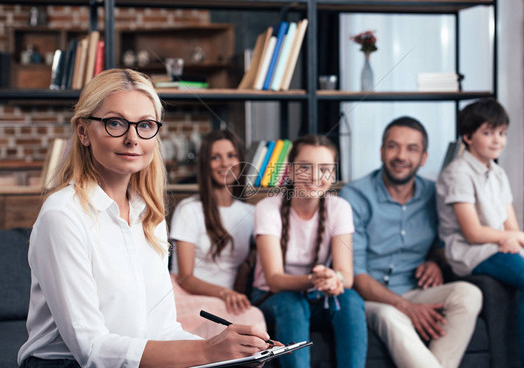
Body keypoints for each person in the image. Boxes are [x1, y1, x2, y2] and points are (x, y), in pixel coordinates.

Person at [17, 69, 271, 368]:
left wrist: (229, 352)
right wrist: (208, 353)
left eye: (146, 125)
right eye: (115, 123)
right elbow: (92, 349)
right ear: (83, 132)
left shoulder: (150, 216)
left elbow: (162, 331)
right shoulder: (62, 215)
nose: (132, 138)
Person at [340, 117, 483, 368]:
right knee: (390, 315)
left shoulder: (434, 193)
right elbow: (357, 275)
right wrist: (406, 307)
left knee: (468, 294)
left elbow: (444, 241)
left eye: (412, 148)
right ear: (382, 151)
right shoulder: (355, 196)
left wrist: (435, 260)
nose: (401, 156)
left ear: (424, 157)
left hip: (415, 289)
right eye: (393, 146)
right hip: (371, 298)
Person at [436, 98, 524, 368]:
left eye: (502, 133)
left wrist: (513, 239)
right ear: (467, 137)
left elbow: (511, 226)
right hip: (471, 253)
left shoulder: (498, 174)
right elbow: (472, 233)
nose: (497, 140)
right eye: (488, 132)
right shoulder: (457, 172)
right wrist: (516, 239)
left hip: (496, 247)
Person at [251, 134, 367, 368]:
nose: (315, 176)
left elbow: (348, 276)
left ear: (332, 175)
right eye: (305, 167)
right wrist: (315, 279)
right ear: (291, 172)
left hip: (318, 297)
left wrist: (336, 279)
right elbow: (274, 280)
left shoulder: (340, 207)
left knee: (351, 300)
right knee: (292, 304)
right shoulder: (267, 208)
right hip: (274, 297)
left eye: (324, 169)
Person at [169, 129, 266, 338]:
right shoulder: (189, 209)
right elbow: (185, 277)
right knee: (252, 320)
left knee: (252, 318)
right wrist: (224, 293)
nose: (225, 164)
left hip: (226, 301)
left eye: (231, 156)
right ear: (206, 164)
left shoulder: (251, 214)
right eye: (216, 157)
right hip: (185, 296)